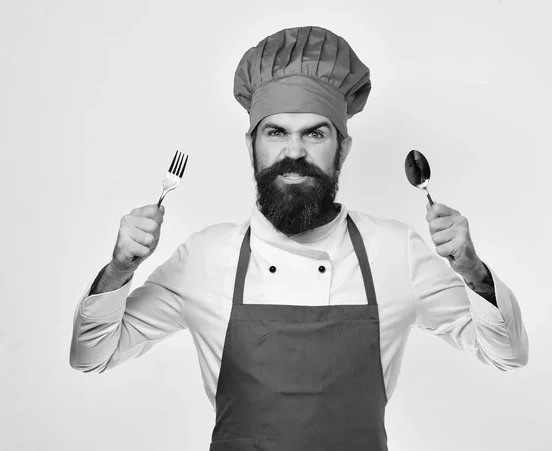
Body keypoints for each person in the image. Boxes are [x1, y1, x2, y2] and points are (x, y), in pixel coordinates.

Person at [70, 26, 528, 451]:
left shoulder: (395, 251)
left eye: (315, 133)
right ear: (251, 144)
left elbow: (506, 355)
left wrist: (473, 272)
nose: (294, 152)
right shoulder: (206, 257)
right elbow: (93, 356)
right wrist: (120, 269)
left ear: (342, 147)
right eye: (276, 132)